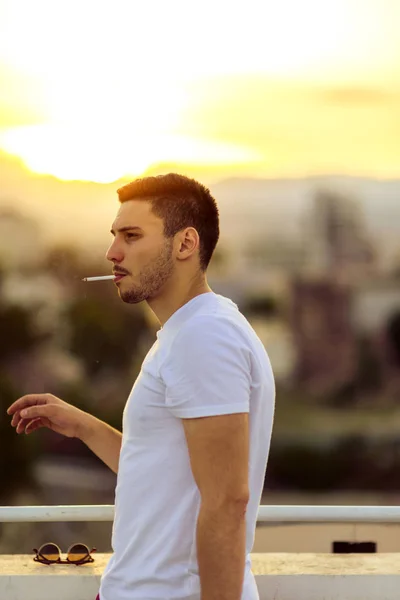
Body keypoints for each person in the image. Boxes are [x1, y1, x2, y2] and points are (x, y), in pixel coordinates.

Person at [7, 173, 275, 600]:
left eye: (131, 237)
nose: (112, 253)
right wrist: (82, 426)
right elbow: (161, 472)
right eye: (114, 236)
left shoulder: (203, 336)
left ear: (185, 244)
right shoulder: (187, 332)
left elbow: (227, 502)